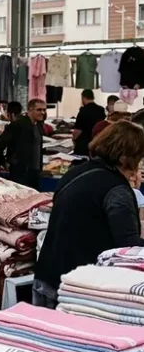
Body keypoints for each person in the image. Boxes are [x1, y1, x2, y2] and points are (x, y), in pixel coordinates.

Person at [33, 121, 144, 308]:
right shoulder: (116, 189)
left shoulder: (76, 173)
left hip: (48, 275)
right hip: (79, 290)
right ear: (126, 157)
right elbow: (128, 248)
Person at [0, 99, 46, 190]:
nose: (42, 112)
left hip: (34, 172)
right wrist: (2, 161)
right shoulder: (18, 124)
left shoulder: (38, 125)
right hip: (21, 172)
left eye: (44, 110)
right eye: (39, 110)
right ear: (30, 110)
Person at [73, 89, 107, 155]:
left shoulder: (83, 111)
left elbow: (77, 131)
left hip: (84, 145)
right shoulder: (101, 109)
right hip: (97, 143)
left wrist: (74, 141)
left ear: (83, 97)